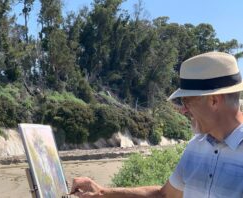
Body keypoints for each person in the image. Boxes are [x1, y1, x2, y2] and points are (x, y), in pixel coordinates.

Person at [70, 52, 243, 198]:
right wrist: (102, 192)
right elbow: (163, 195)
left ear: (213, 101)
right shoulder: (195, 147)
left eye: (187, 101)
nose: (183, 110)